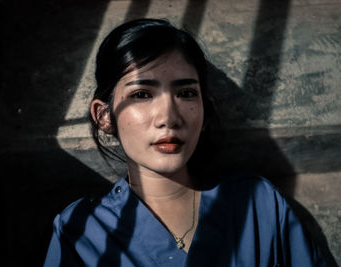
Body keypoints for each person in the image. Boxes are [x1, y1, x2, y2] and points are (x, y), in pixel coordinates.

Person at [44, 19, 336, 266]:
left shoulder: (257, 204)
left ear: (204, 109)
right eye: (142, 94)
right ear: (104, 116)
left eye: (185, 93)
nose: (169, 117)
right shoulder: (81, 229)